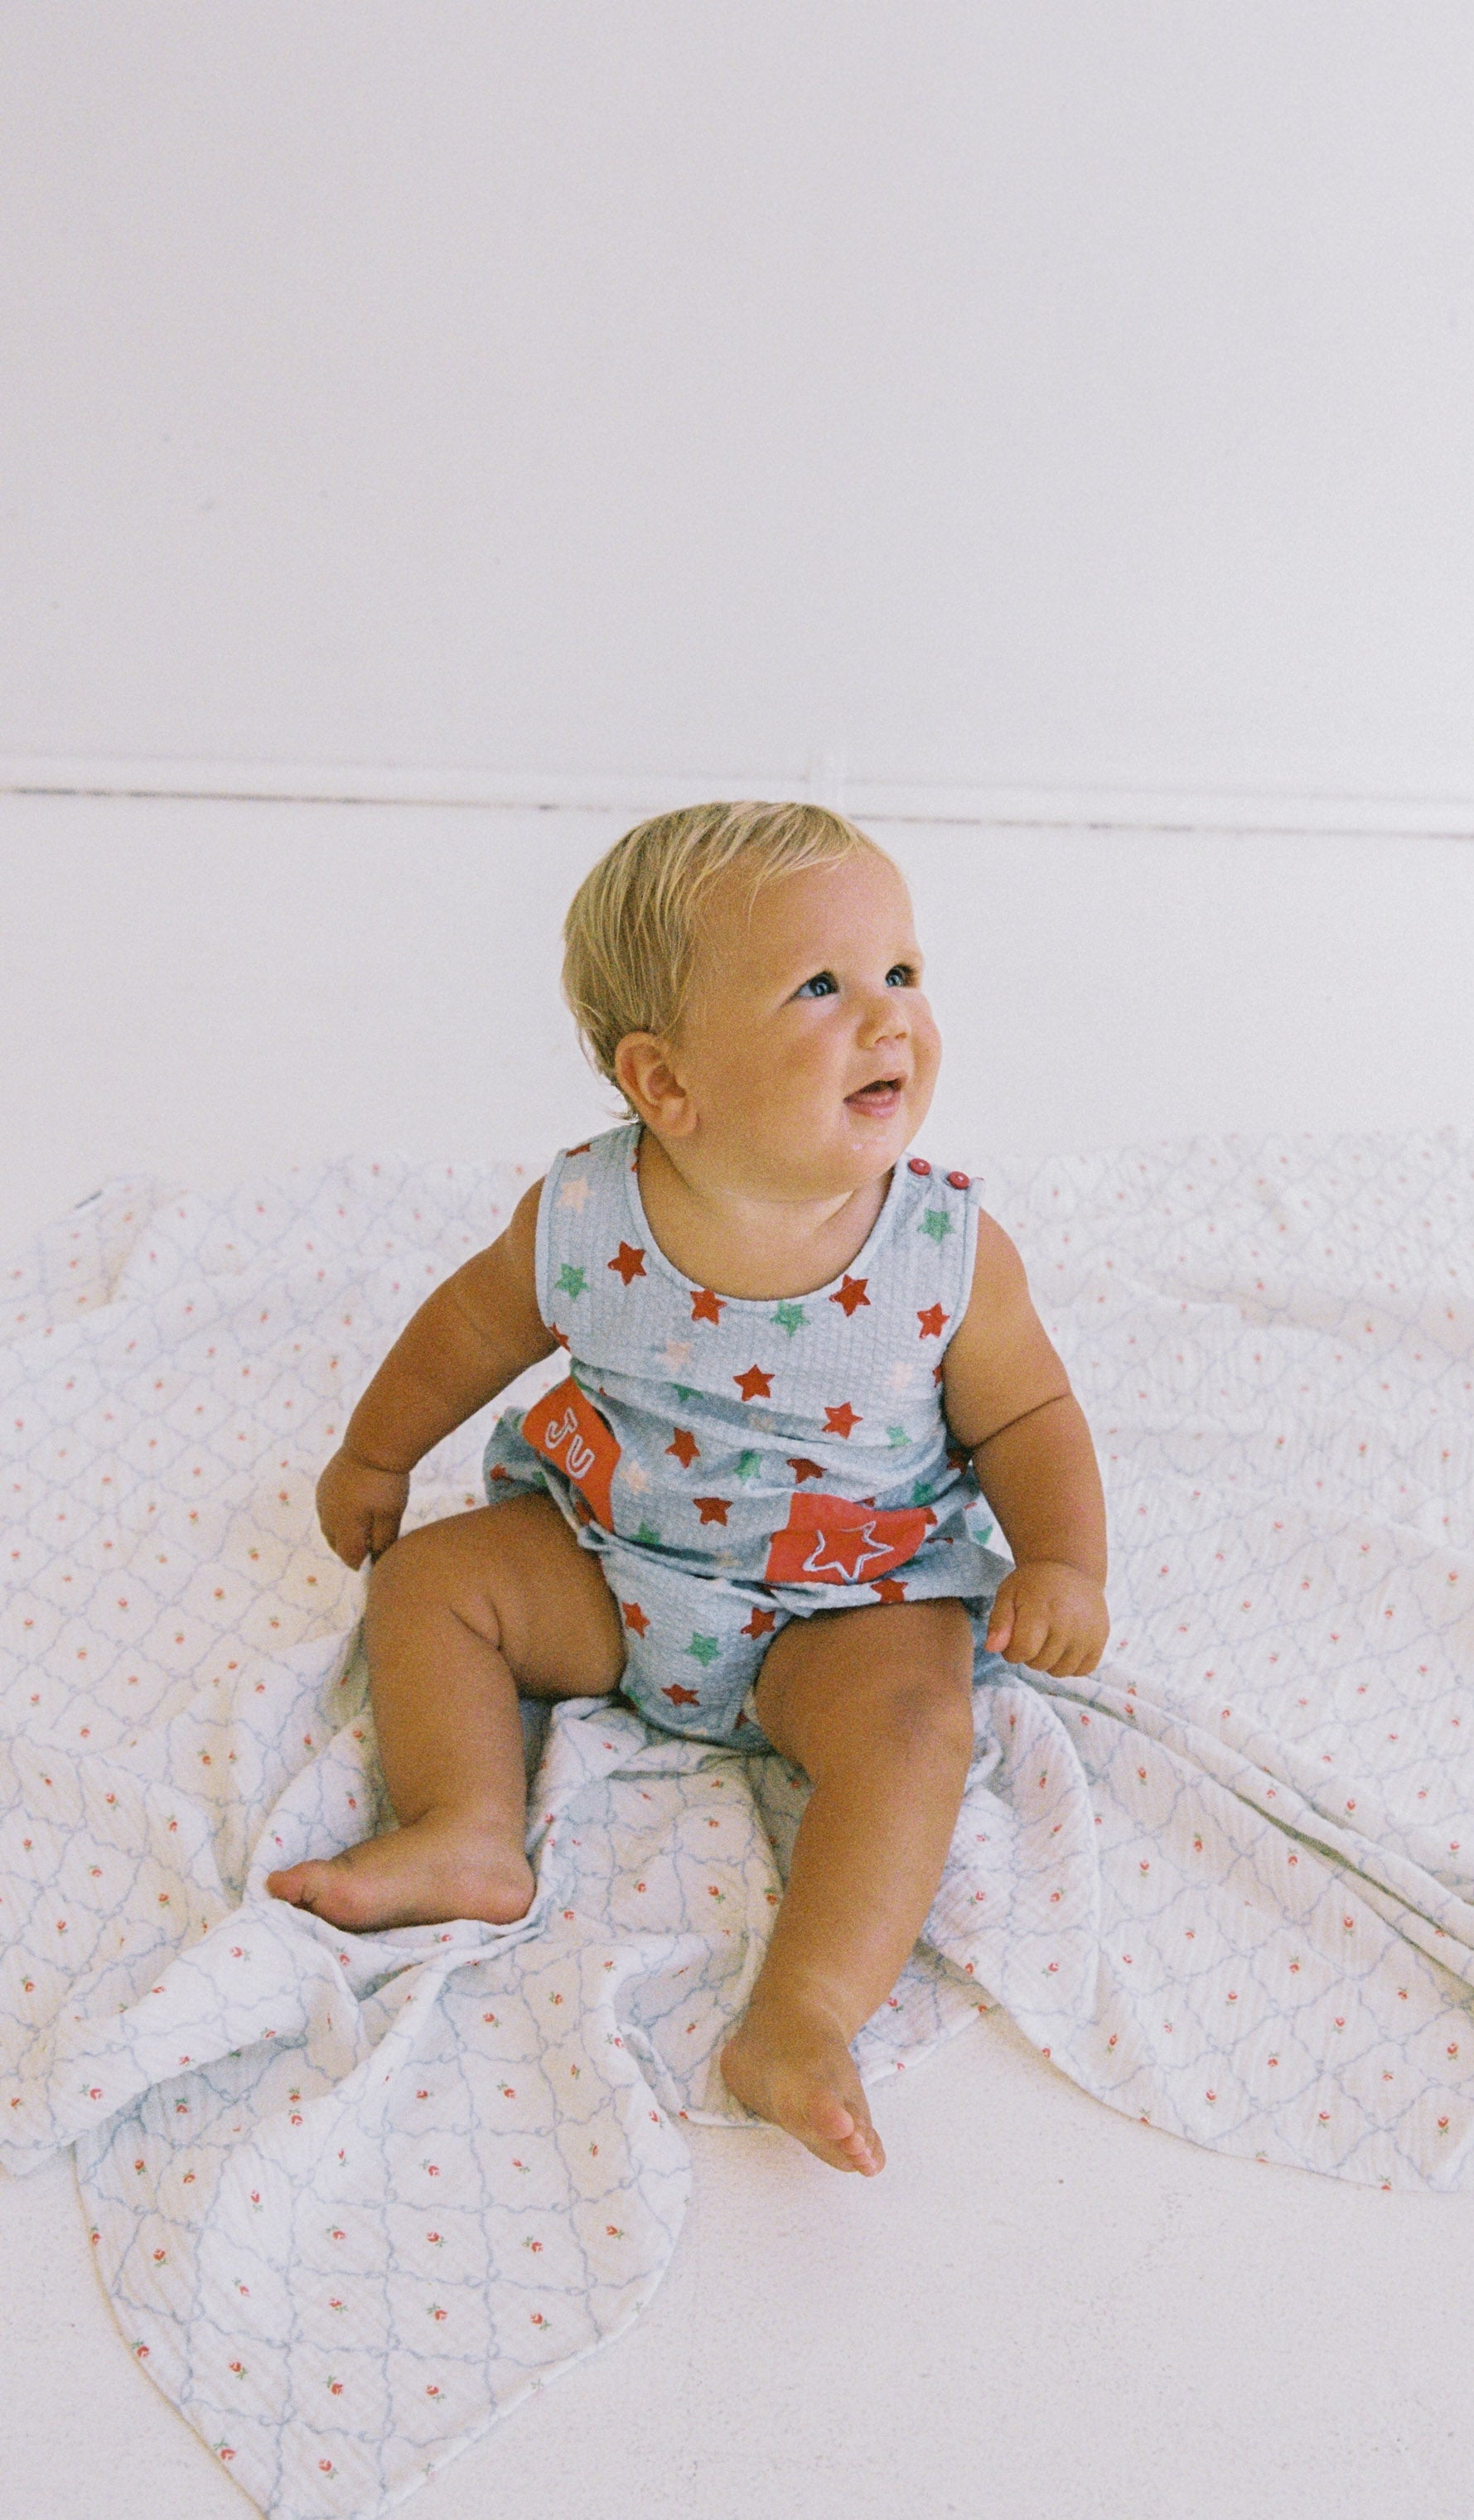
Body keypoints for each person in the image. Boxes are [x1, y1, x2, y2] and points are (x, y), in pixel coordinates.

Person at [268, 800, 1109, 2175]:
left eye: (901, 972)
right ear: (664, 1083)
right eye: (822, 987)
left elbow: (1029, 1413)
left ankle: (804, 2010)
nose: (890, 1017)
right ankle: (468, 1823)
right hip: (610, 1561)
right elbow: (468, 1330)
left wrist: (1065, 1561)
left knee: (916, 1720)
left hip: (845, 1598)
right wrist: (377, 1453)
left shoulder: (946, 1247)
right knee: (429, 1580)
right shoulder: (588, 1219)